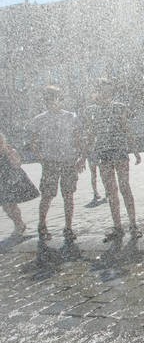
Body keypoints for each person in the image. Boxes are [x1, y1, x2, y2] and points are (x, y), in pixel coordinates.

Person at [83, 79, 142, 242]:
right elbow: (90, 134)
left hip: (120, 151)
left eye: (110, 91)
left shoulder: (119, 107)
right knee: (111, 191)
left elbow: (126, 128)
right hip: (104, 154)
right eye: (104, 91)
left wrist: (135, 150)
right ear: (98, 92)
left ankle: (133, 225)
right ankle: (118, 227)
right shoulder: (91, 111)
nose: (107, 95)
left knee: (125, 187)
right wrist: (84, 157)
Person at [26, 86, 85, 244]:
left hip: (68, 161)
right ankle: (42, 225)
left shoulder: (71, 117)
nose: (51, 102)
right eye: (48, 99)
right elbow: (33, 141)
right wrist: (41, 157)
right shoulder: (39, 119)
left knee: (68, 195)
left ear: (60, 99)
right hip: (50, 162)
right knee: (47, 195)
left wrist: (81, 158)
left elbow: (79, 139)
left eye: (54, 98)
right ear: (45, 101)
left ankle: (68, 227)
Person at [0, 132, 39, 238]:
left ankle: (19, 225)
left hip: (11, 179)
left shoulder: (9, 151)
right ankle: (19, 224)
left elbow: (17, 164)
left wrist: (10, 155)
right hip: (3, 181)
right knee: (6, 206)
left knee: (10, 204)